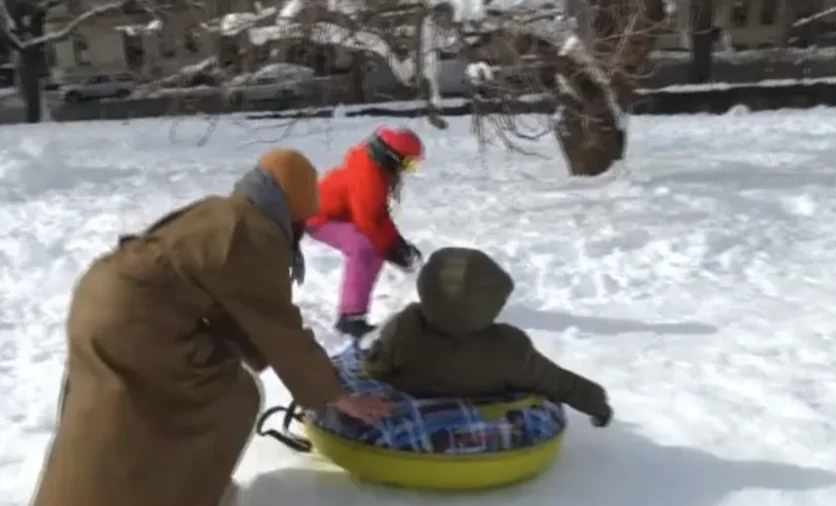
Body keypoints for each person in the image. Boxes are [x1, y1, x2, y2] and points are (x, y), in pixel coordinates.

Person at [29, 148, 393, 506]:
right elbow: (278, 325)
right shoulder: (255, 231)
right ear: (296, 205)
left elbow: (229, 299)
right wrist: (332, 392)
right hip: (136, 320)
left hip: (100, 298)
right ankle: (186, 490)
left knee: (108, 414)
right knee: (227, 396)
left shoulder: (225, 210)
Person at [363, 246, 614, 427]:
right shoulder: (507, 346)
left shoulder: (407, 326)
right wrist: (596, 403)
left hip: (417, 402)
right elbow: (555, 380)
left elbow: (377, 367)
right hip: (486, 413)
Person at [306, 126, 425, 338]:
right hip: (317, 217)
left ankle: (355, 313)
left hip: (341, 215)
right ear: (391, 156)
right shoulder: (367, 176)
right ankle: (350, 318)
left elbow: (378, 215)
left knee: (375, 249)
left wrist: (396, 244)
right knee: (364, 246)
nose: (407, 170)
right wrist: (393, 248)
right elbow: (368, 222)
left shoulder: (376, 171)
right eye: (407, 163)